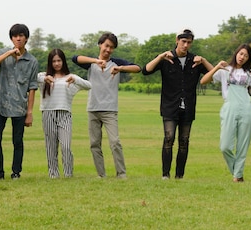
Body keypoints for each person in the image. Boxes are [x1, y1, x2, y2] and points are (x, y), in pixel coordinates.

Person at [142, 28, 213, 180]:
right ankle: (165, 174)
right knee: (169, 137)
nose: (186, 45)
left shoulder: (195, 61)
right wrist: (160, 57)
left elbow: (214, 75)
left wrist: (204, 61)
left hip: (188, 107)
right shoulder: (167, 58)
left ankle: (179, 175)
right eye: (183, 41)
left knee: (184, 141)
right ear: (177, 40)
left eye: (189, 42)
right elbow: (146, 70)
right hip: (169, 106)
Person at [72, 32, 141, 179]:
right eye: (106, 46)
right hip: (93, 108)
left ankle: (121, 174)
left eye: (111, 47)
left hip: (110, 109)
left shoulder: (116, 62)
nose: (108, 49)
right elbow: (75, 58)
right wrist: (96, 61)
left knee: (115, 142)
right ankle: (101, 174)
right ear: (100, 45)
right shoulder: (91, 63)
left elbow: (137, 68)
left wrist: (120, 69)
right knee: (94, 144)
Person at [200, 44, 251, 182]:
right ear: (236, 53)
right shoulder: (225, 70)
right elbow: (203, 81)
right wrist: (216, 67)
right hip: (229, 108)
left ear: (248, 58)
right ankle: (237, 172)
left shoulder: (249, 74)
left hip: (246, 109)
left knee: (242, 145)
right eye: (241, 53)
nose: (242, 57)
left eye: (246, 55)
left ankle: (238, 176)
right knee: (224, 146)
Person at [0, 23, 39, 180]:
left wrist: (29, 113)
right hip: (0, 105)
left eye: (21, 35)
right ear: (11, 38)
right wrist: (8, 54)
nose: (18, 38)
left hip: (20, 107)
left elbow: (33, 88)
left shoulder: (32, 61)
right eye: (15, 36)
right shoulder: (3, 53)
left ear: (26, 38)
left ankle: (16, 172)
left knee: (17, 141)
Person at [39, 49, 91, 179]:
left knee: (66, 146)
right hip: (48, 113)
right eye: (54, 61)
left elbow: (88, 85)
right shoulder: (43, 77)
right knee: (51, 146)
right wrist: (45, 78)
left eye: (59, 60)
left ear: (63, 61)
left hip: (65, 114)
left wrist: (75, 80)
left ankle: (68, 173)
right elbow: (31, 78)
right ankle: (53, 173)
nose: (57, 64)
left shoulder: (70, 77)